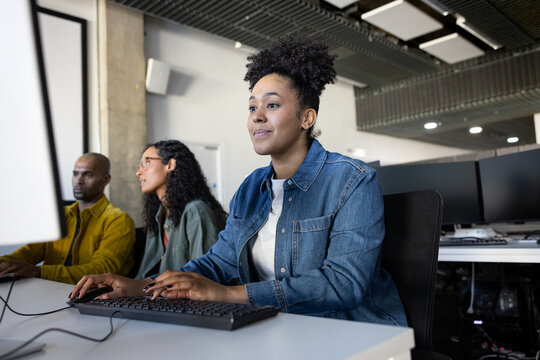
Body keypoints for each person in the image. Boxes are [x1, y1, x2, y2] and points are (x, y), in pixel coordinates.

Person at [71, 36, 407, 326]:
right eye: (252, 107)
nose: (257, 116)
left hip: (351, 332)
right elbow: (218, 262)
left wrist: (229, 295)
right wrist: (142, 286)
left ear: (307, 117)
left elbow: (343, 285)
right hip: (278, 327)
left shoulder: (352, 180)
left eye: (272, 105)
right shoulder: (251, 188)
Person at [0, 153, 135, 284]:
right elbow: (30, 252)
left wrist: (39, 272)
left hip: (92, 297)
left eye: (88, 174)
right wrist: (5, 263)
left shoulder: (118, 220)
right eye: (75, 174)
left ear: (106, 179)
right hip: (49, 290)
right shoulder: (60, 215)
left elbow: (100, 270)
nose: (79, 180)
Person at [133, 140, 227, 279]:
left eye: (147, 163)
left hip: (191, 298)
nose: (138, 172)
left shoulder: (196, 211)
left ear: (170, 165)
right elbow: (142, 276)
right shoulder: (158, 215)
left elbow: (204, 277)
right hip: (161, 297)